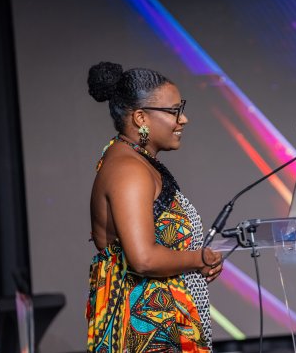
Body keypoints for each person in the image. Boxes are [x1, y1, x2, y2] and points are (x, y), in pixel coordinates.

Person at [85, 62, 222, 352]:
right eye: (174, 111)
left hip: (158, 324)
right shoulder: (129, 170)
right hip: (145, 334)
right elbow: (144, 258)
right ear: (140, 117)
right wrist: (198, 258)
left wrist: (197, 261)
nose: (183, 119)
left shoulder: (134, 160)